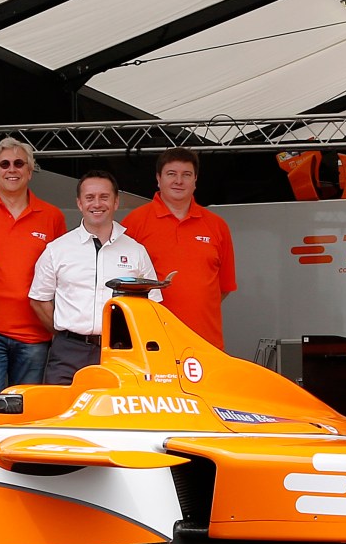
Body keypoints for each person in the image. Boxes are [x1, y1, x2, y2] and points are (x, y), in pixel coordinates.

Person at [29, 170, 160, 385]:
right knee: (63, 415)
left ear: (116, 202)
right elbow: (38, 299)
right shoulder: (57, 249)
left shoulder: (136, 251)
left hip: (121, 353)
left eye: (104, 197)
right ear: (80, 203)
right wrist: (65, 331)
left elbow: (153, 305)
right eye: (89, 198)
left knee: (115, 417)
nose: (96, 204)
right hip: (69, 353)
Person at [0, 137, 67, 394]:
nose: (12, 169)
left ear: (30, 171)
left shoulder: (52, 216)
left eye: (19, 163)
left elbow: (63, 276)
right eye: (4, 164)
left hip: (35, 335)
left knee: (27, 415)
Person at [122, 147, 237, 349]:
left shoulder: (217, 226)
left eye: (186, 175)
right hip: (151, 342)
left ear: (195, 180)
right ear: (158, 179)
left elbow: (224, 287)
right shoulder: (134, 223)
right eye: (171, 174)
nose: (179, 181)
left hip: (205, 343)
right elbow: (122, 285)